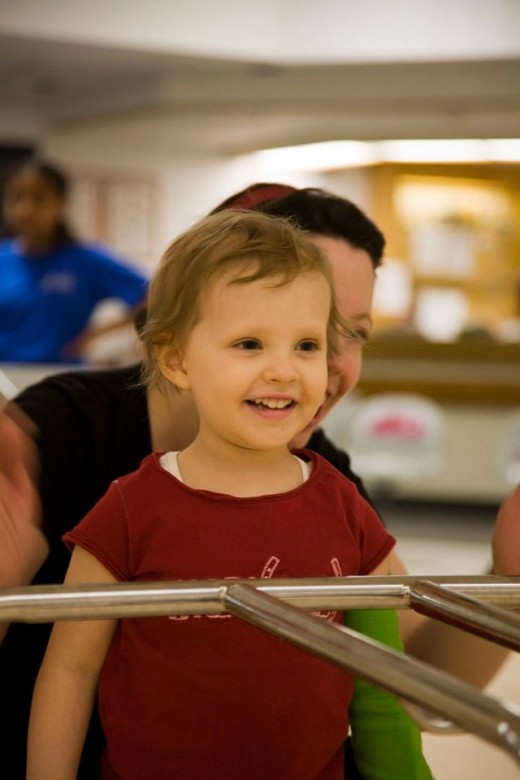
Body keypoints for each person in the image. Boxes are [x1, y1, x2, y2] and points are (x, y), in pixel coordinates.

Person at [0, 183, 509, 777]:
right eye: (252, 338)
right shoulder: (70, 435)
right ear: (176, 349)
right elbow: (68, 666)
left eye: (339, 336)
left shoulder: (326, 479)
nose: (317, 367)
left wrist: (508, 572)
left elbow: (411, 674)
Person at [0, 158, 148, 363]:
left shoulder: (85, 260)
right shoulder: (3, 260)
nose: (26, 209)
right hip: (4, 378)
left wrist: (94, 335)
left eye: (38, 198)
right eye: (17, 198)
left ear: (61, 203)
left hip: (60, 379)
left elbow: (152, 298)